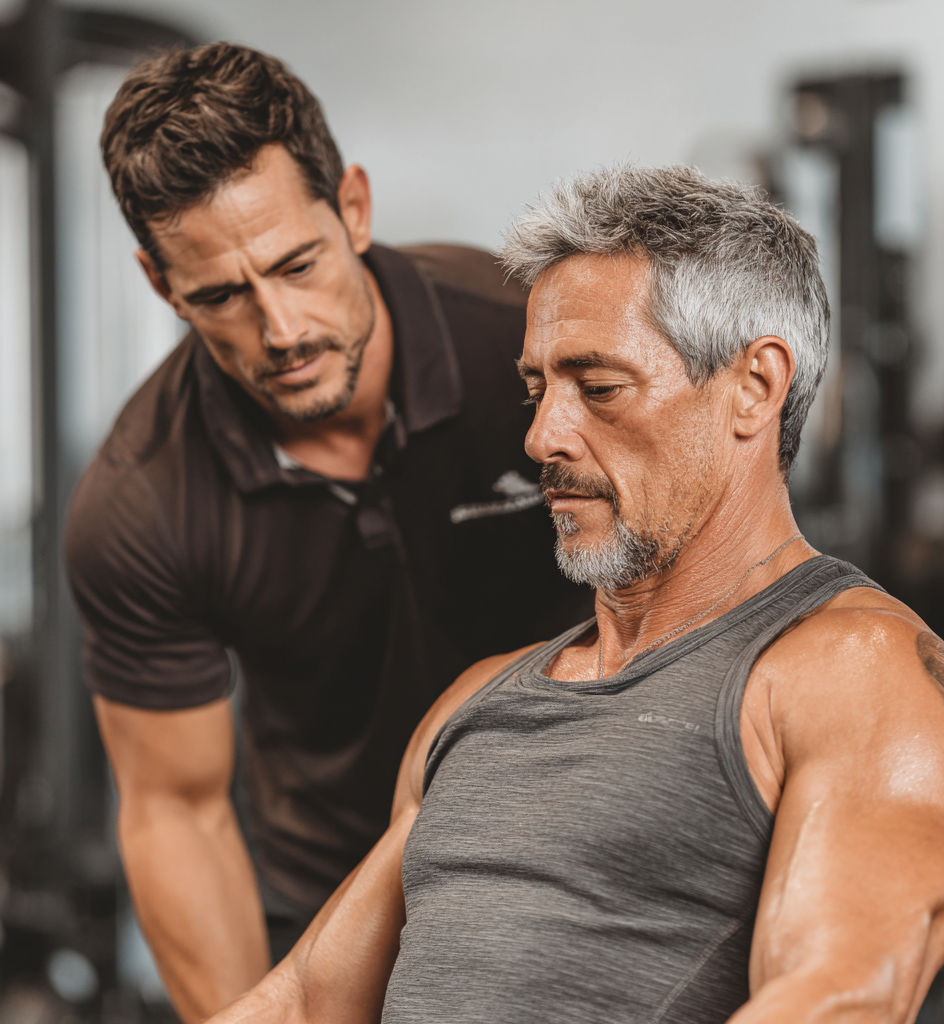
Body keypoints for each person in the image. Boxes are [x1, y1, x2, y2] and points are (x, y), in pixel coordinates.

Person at [204, 166, 944, 1024]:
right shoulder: (478, 701)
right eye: (537, 387)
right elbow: (305, 1000)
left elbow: (841, 996)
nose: (541, 435)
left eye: (600, 388)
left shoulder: (856, 674)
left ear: (754, 387)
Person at [63, 43, 588, 1023]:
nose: (281, 329)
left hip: (587, 859)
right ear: (158, 282)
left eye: (297, 265)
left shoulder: (523, 346)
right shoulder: (142, 503)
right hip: (335, 906)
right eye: (219, 295)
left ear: (352, 205)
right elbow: (177, 811)